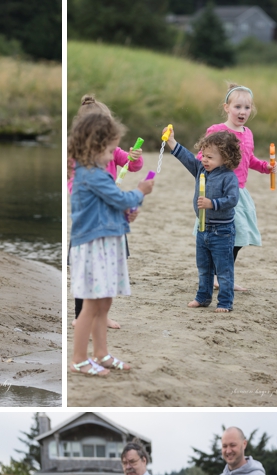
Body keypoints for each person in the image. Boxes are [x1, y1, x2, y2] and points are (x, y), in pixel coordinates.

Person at [69, 110, 153, 376]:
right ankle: (80, 358)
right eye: (110, 151)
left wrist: (129, 213)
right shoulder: (90, 175)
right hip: (93, 245)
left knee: (105, 302)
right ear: (95, 146)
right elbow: (118, 198)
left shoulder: (98, 172)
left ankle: (101, 353)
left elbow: (111, 205)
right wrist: (139, 192)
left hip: (107, 242)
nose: (112, 156)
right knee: (92, 305)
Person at [69, 95, 141, 328]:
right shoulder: (75, 160)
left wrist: (134, 159)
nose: (112, 154)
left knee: (107, 270)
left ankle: (101, 314)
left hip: (110, 219)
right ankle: (81, 315)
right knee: (85, 272)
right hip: (90, 222)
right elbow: (73, 187)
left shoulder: (113, 151)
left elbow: (132, 165)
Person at [166, 127, 241, 313]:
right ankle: (203, 297)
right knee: (204, 267)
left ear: (225, 158)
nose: (204, 160)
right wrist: (172, 142)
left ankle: (224, 302)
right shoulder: (200, 169)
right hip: (203, 228)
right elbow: (187, 158)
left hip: (222, 232)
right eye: (204, 155)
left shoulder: (229, 177)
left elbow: (232, 200)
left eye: (210, 157)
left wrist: (212, 203)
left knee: (223, 270)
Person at [206, 84, 272, 292]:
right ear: (227, 107)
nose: (242, 112)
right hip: (220, 191)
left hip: (240, 192)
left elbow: (248, 159)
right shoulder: (217, 131)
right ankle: (218, 276)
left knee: (239, 236)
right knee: (224, 235)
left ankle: (221, 275)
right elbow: (202, 156)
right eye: (237, 107)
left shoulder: (248, 133)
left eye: (247, 108)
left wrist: (265, 167)